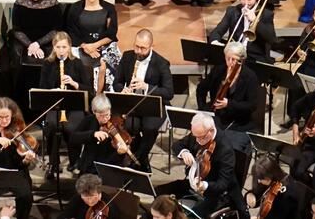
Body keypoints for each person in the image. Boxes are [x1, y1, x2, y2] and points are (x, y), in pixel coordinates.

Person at [110, 29, 174, 170]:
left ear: (151, 46)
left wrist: (146, 86)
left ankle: (137, 158)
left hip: (153, 105)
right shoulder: (127, 57)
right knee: (131, 126)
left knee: (149, 128)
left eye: (143, 48)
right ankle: (142, 161)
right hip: (132, 103)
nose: (138, 51)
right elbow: (117, 83)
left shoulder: (161, 63)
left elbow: (169, 93)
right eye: (136, 46)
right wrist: (123, 90)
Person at [155, 113, 240, 217]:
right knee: (160, 193)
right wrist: (184, 152)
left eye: (200, 138)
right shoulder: (198, 134)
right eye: (195, 136)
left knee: (191, 215)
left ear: (211, 131)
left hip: (214, 193)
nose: (197, 141)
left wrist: (204, 185)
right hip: (193, 183)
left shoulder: (225, 150)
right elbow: (177, 145)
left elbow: (222, 184)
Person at [39, 31, 89, 168]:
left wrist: (74, 84)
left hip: (74, 106)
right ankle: (53, 163)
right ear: (53, 47)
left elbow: (90, 90)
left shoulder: (77, 63)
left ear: (70, 47)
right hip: (54, 106)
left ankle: (75, 161)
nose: (61, 51)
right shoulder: (48, 64)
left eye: (64, 47)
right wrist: (52, 91)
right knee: (52, 127)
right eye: (58, 47)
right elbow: (42, 88)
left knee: (73, 127)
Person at [196, 41, 259, 133]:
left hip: (238, 121)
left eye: (233, 59)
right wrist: (203, 109)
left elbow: (251, 105)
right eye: (227, 58)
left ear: (241, 60)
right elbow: (201, 88)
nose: (230, 63)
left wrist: (229, 104)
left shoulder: (250, 76)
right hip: (217, 116)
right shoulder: (218, 70)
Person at [208, 0, 277, 63]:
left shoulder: (266, 14)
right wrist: (216, 43)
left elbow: (271, 39)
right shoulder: (232, 11)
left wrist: (255, 21)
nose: (246, 3)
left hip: (254, 59)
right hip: (234, 56)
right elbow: (217, 32)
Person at [65, 0, 119, 78]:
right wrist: (85, 47)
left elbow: (112, 33)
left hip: (104, 45)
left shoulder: (109, 8)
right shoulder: (75, 8)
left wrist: (94, 46)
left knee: (109, 70)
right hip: (81, 46)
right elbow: (71, 31)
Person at [72, 94, 132, 173]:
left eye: (107, 114)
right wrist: (93, 134)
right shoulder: (89, 120)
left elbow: (117, 158)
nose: (105, 119)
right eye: (101, 116)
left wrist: (120, 152)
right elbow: (73, 138)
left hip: (110, 166)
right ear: (94, 112)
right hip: (90, 165)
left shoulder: (116, 122)